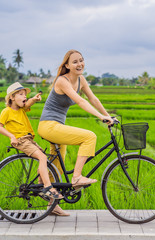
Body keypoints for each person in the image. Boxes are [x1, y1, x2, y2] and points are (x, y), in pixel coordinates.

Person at [38, 49, 114, 216]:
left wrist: (108, 116)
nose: (80, 64)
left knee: (57, 165)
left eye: (81, 60)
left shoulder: (81, 79)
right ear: (67, 65)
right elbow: (80, 100)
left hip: (56, 126)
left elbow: (93, 99)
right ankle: (77, 178)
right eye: (75, 62)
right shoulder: (62, 81)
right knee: (89, 137)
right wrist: (100, 117)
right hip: (49, 126)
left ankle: (52, 205)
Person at [0, 82, 65, 204]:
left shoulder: (21, 109)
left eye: (25, 95)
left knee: (43, 158)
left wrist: (34, 99)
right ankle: (48, 187)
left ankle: (40, 185)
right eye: (21, 94)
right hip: (20, 140)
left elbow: (27, 103)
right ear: (12, 97)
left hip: (28, 140)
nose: (24, 97)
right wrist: (11, 136)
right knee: (42, 157)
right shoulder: (6, 111)